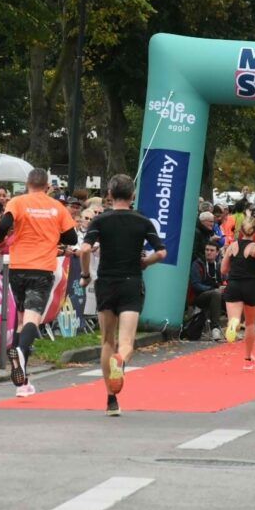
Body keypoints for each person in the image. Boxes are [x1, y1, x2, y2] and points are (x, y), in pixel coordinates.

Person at [78, 174, 165, 416]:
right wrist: (145, 262)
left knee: (107, 340)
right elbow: (162, 252)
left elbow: (84, 249)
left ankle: (110, 399)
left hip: (105, 282)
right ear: (133, 196)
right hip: (131, 282)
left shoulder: (100, 220)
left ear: (108, 195)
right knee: (126, 343)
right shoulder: (143, 221)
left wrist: (85, 274)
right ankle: (121, 359)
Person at [0, 168, 77, 396]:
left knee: (22, 320)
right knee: (34, 318)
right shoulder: (57, 207)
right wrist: (52, 234)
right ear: (48, 187)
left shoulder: (18, 201)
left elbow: (3, 224)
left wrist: (1, 240)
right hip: (42, 268)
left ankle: (23, 384)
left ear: (27, 183)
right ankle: (20, 352)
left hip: (18, 266)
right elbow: (71, 237)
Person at [221, 220, 255, 370]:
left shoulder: (232, 246)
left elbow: (223, 270)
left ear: (240, 232)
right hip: (251, 286)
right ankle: (248, 355)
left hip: (234, 285)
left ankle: (233, 324)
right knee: (250, 324)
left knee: (234, 318)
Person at [190, 242, 224, 341]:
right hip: (200, 297)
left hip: (216, 294)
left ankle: (235, 326)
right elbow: (195, 284)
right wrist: (212, 289)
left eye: (212, 250)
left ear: (217, 253)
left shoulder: (218, 266)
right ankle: (215, 328)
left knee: (236, 293)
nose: (208, 252)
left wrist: (225, 287)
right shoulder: (197, 264)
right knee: (216, 293)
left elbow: (223, 281)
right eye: (207, 250)